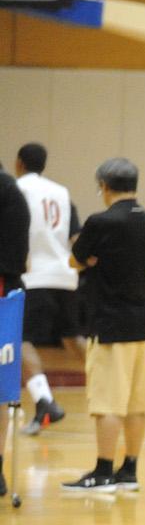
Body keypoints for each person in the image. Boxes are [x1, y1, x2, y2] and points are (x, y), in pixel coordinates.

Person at [62, 158, 145, 494]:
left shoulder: (100, 221)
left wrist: (92, 259)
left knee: (107, 402)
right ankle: (129, 470)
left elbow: (75, 259)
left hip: (110, 323)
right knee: (137, 403)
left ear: (103, 185)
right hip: (143, 325)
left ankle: (103, 471)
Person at [15, 142, 85, 435]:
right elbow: (76, 238)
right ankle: (111, 386)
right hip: (65, 275)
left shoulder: (16, 190)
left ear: (19, 163)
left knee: (19, 339)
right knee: (72, 337)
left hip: (35, 276)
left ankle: (45, 401)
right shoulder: (61, 193)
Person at [0, 170, 29, 499]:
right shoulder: (13, 190)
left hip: (3, 289)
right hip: (10, 288)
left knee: (1, 385)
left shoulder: (8, 191)